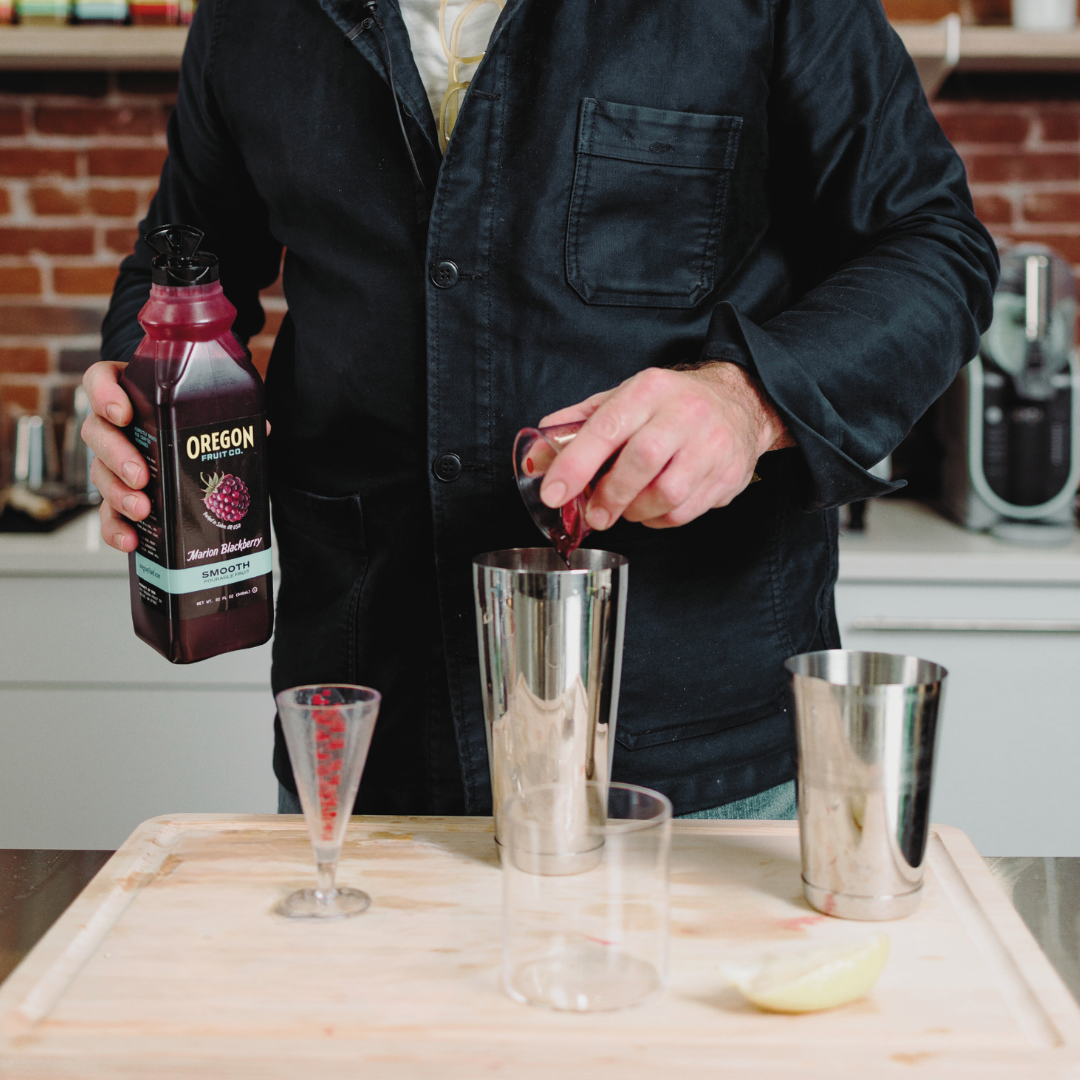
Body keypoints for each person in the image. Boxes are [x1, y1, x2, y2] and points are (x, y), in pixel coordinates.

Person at [82, 0, 997, 820]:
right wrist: (139, 392)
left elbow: (933, 244)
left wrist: (747, 401)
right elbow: (180, 262)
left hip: (693, 742)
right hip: (365, 720)